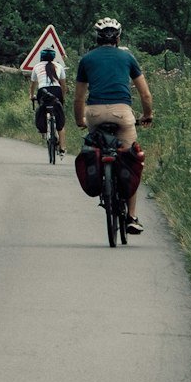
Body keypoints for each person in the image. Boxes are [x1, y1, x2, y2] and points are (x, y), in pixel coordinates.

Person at [73, 16, 153, 235]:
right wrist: (147, 115)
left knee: (97, 149)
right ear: (118, 37)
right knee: (131, 158)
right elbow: (145, 94)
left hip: (94, 113)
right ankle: (132, 216)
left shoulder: (86, 59)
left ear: (97, 38)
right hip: (122, 113)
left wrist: (80, 120)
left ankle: (103, 183)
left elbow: (78, 98)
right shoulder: (127, 57)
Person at [29, 45, 68, 155]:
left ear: (41, 57)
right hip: (57, 91)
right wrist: (62, 98)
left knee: (42, 109)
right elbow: (63, 85)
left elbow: (32, 85)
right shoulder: (59, 66)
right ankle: (62, 147)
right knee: (60, 119)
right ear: (54, 57)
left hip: (43, 91)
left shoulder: (36, 67)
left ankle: (44, 130)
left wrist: (31, 95)